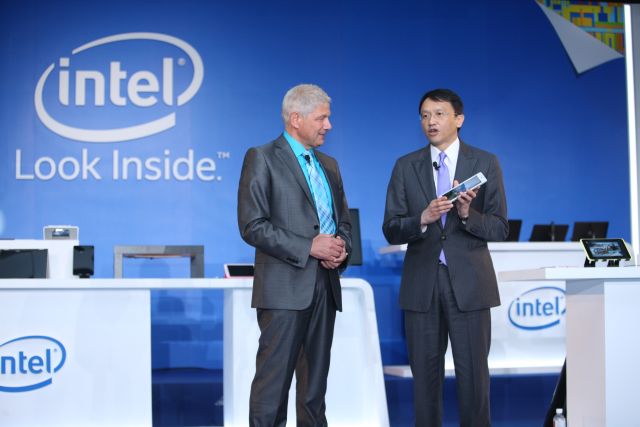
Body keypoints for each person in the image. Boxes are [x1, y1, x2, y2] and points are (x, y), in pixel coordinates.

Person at [382, 88, 508, 427]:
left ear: (459, 119)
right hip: (421, 286)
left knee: (474, 382)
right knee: (424, 384)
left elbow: (500, 228)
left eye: (439, 114)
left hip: (470, 285)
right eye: (425, 115)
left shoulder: (485, 162)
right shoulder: (405, 166)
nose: (431, 121)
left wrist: (467, 214)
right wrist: (422, 219)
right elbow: (391, 228)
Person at [237, 83, 352, 427]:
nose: (328, 125)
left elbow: (343, 221)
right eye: (322, 118)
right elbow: (252, 225)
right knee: (272, 389)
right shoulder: (262, 157)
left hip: (325, 286)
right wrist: (309, 246)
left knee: (314, 391)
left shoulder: (329, 165)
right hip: (284, 289)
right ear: (296, 118)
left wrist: (340, 249)